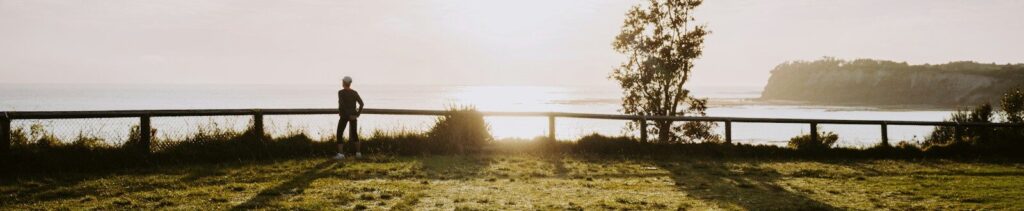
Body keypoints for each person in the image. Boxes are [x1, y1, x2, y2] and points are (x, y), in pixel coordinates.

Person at [334, 76, 364, 160]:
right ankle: (358, 153)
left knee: (339, 133)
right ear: (350, 83)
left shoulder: (340, 92)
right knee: (355, 134)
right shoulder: (354, 92)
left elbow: (342, 105)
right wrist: (357, 114)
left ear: (343, 83)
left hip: (344, 116)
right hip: (353, 116)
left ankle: (341, 154)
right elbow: (361, 104)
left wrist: (348, 115)